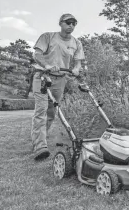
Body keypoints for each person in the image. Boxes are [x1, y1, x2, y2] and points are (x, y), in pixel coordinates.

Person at [31, 14, 85, 160]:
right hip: (42, 76)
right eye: (68, 22)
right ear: (60, 23)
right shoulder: (48, 37)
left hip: (60, 80)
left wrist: (76, 68)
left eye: (74, 23)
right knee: (41, 110)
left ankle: (40, 140)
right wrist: (47, 65)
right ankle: (40, 146)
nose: (71, 25)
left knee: (51, 112)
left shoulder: (76, 43)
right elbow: (37, 54)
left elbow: (78, 62)